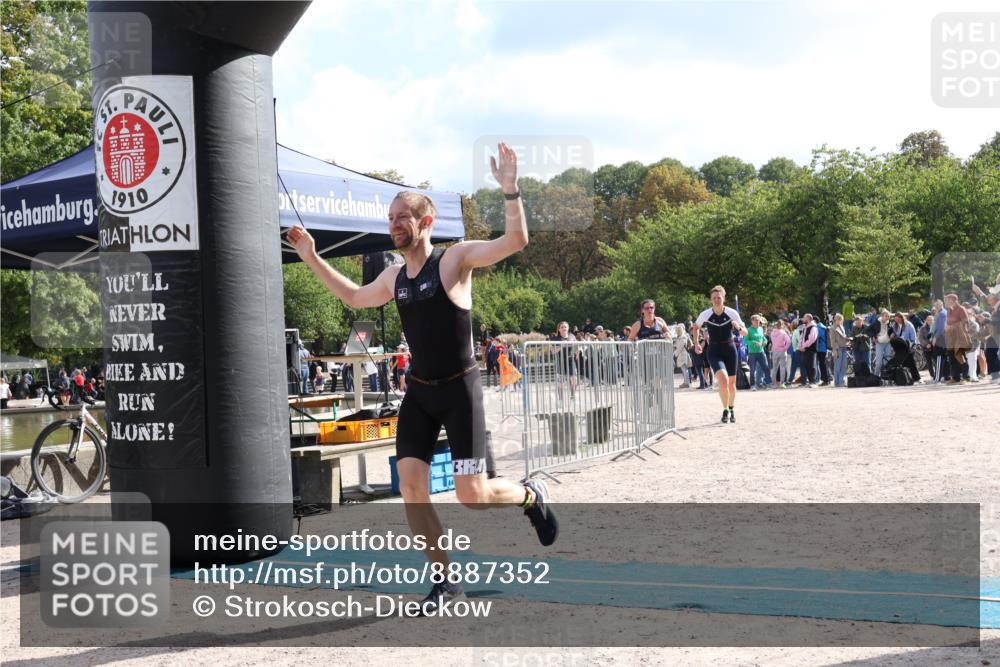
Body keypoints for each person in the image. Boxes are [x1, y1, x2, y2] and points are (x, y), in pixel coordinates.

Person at [287, 143, 557, 615]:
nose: (393, 224)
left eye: (401, 218)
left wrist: (511, 192)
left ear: (425, 223)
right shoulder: (394, 276)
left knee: (473, 497)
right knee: (412, 486)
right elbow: (353, 297)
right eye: (391, 218)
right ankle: (446, 582)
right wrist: (310, 255)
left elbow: (514, 243)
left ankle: (529, 496)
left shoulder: (454, 261)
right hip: (420, 393)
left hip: (460, 390)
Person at [691, 285, 747, 423]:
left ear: (724, 298)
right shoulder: (705, 314)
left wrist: (738, 327)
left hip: (730, 349)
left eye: (719, 298)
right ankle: (725, 410)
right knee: (723, 380)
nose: (716, 300)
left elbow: (745, 332)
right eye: (714, 298)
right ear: (711, 299)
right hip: (714, 350)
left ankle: (732, 408)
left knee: (732, 384)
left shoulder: (732, 313)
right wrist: (696, 343)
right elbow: (696, 327)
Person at [889, 311, 921, 383]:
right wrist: (892, 335)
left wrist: (913, 345)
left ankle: (917, 378)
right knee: (903, 363)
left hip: (908, 346)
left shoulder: (909, 325)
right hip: (900, 347)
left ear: (901, 318)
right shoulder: (894, 325)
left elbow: (913, 336)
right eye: (896, 319)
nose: (897, 321)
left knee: (911, 363)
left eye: (898, 319)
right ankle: (906, 378)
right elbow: (892, 333)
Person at [745, 315, 768, 390]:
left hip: (761, 351)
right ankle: (752, 385)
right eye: (756, 320)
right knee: (752, 370)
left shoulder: (761, 329)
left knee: (765, 367)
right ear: (752, 321)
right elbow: (746, 341)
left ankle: (767, 382)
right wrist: (754, 342)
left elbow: (763, 338)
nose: (758, 322)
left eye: (759, 320)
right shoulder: (748, 330)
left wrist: (765, 341)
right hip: (752, 353)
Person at [797, 313, 820, 388]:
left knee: (811, 365)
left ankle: (813, 381)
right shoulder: (805, 327)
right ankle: (810, 381)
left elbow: (811, 339)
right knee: (806, 365)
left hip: (811, 349)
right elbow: (801, 337)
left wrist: (803, 346)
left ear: (809, 319)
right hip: (805, 349)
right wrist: (800, 346)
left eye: (804, 318)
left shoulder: (813, 328)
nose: (803, 319)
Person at [830, 313, 850, 387]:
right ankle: (837, 382)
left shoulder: (842, 326)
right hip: (837, 349)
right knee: (837, 366)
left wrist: (847, 340)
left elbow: (843, 336)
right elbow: (832, 341)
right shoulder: (832, 328)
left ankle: (841, 381)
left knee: (844, 365)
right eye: (841, 320)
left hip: (844, 347)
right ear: (837, 320)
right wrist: (836, 350)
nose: (842, 321)